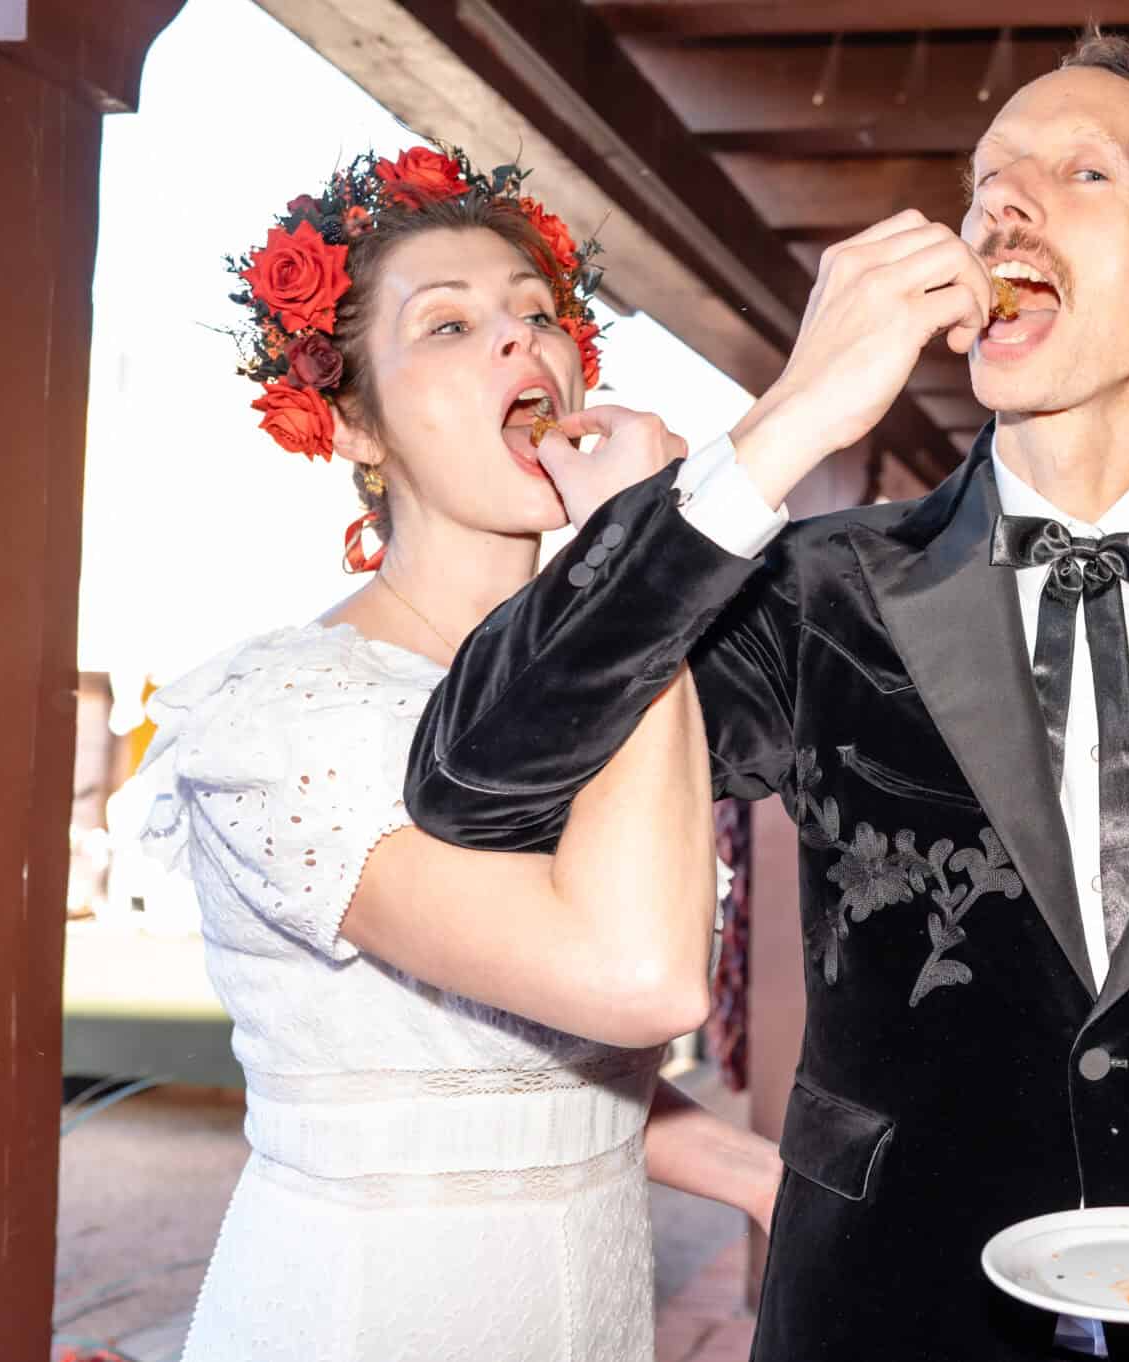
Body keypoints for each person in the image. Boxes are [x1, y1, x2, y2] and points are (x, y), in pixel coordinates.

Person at [408, 33, 1129, 1362]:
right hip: (887, 1319)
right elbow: (476, 781)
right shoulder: (815, 591)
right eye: (984, 181)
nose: (1002, 204)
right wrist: (785, 419)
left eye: (1079, 172)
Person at [127, 145, 778, 1362]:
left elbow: (505, 1073)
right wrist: (646, 560)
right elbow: (638, 983)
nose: (518, 341)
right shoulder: (282, 717)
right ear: (354, 426)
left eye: (538, 313)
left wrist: (760, 1172)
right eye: (448, 323)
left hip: (589, 1310)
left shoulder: (609, 681)